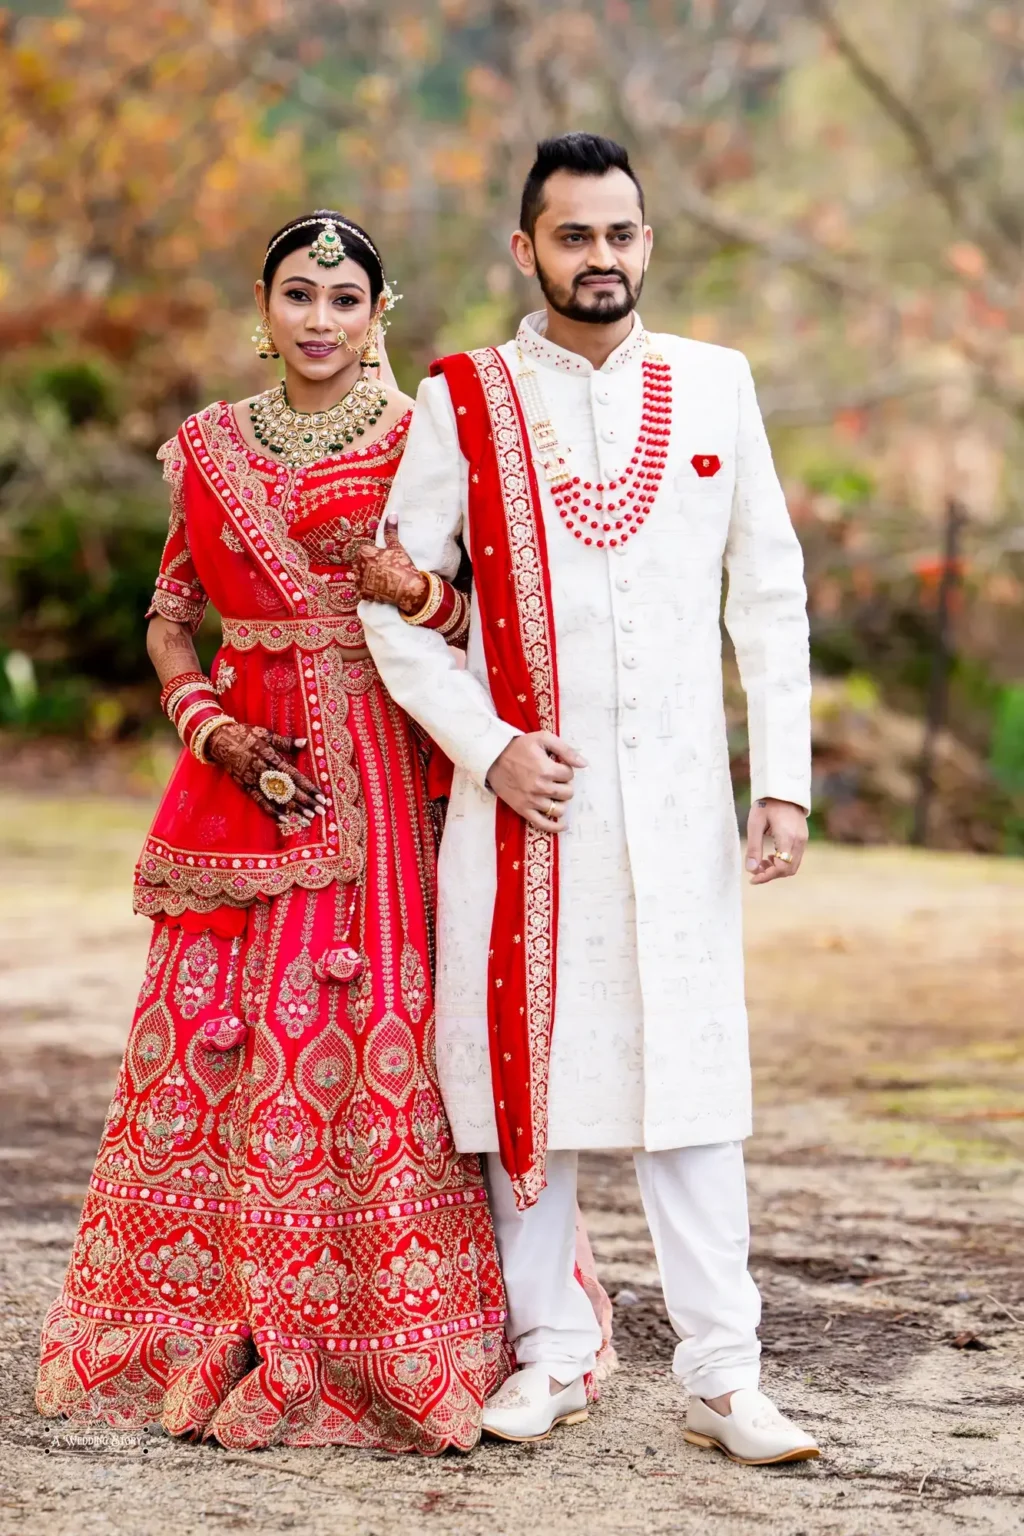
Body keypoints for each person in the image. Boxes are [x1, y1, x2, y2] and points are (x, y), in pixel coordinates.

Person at [358, 134, 820, 1465]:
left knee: (692, 1082)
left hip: (679, 808)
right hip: (526, 806)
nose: (600, 258)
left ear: (648, 245)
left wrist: (780, 778)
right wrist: (487, 742)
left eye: (621, 234)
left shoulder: (717, 388)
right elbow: (399, 609)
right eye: (574, 236)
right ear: (527, 249)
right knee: (526, 1084)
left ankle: (725, 1375)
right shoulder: (468, 400)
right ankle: (548, 1355)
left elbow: (771, 597)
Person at [35, 211, 513, 1454]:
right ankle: (202, 1314)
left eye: (342, 298)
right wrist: (215, 734)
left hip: (384, 775)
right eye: (298, 295)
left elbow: (483, 621)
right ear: (264, 304)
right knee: (213, 1036)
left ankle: (379, 1326)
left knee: (365, 1036)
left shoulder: (426, 441)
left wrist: (410, 590)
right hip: (245, 780)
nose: (318, 319)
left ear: (379, 312)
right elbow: (169, 618)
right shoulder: (204, 447)